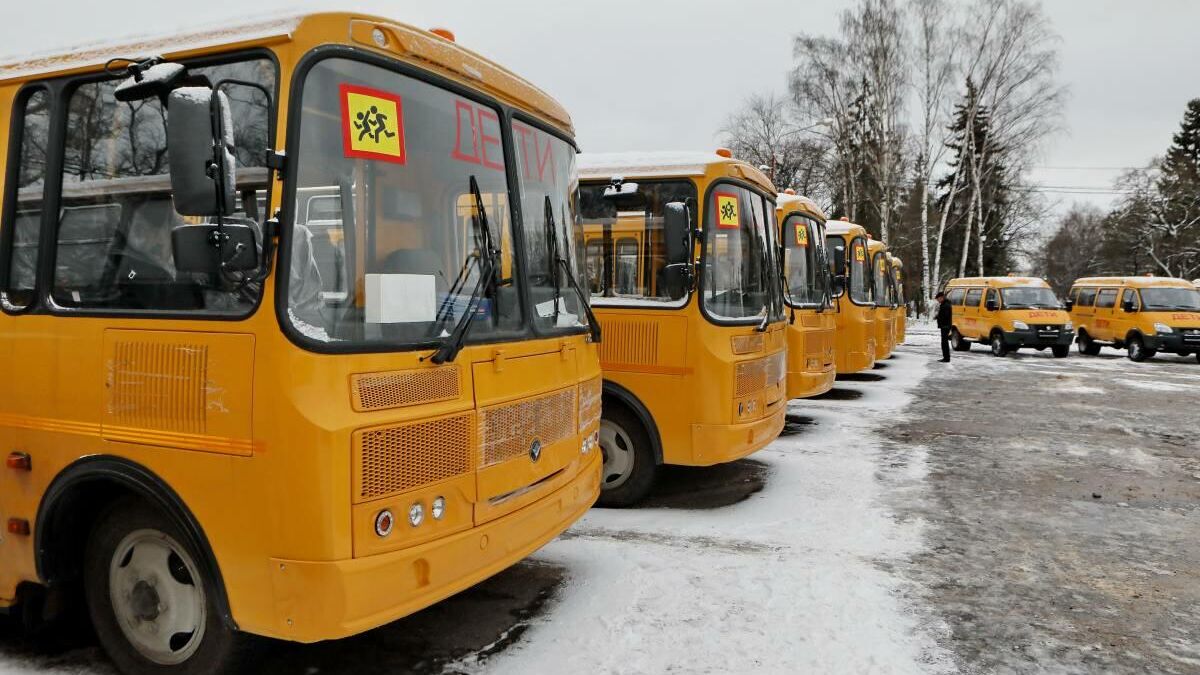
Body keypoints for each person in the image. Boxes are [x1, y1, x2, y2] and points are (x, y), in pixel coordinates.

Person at [935, 290, 952, 362]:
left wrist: (938, 317)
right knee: (944, 342)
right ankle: (945, 357)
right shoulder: (945, 304)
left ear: (941, 297)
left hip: (945, 326)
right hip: (945, 326)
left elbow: (945, 316)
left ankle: (946, 358)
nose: (938, 301)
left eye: (938, 299)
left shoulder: (946, 305)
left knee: (944, 343)